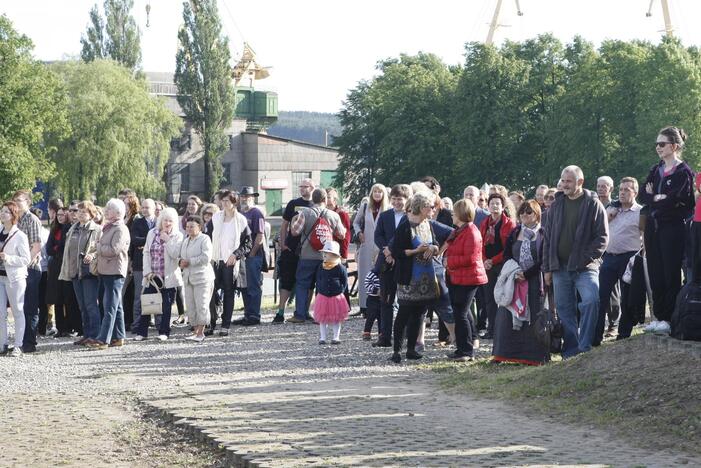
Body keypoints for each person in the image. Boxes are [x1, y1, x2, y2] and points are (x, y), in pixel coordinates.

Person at [543, 165, 608, 358]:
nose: (564, 185)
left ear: (580, 182)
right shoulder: (556, 204)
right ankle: (571, 352)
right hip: (559, 268)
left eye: (568, 181)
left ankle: (585, 347)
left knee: (590, 301)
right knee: (564, 311)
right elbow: (548, 239)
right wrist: (547, 268)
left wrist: (583, 259)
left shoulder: (592, 204)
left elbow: (602, 239)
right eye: (562, 181)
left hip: (585, 268)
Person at [639, 127, 695, 334]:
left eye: (662, 144)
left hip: (672, 229)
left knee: (670, 273)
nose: (658, 148)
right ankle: (659, 316)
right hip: (653, 228)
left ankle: (670, 319)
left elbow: (680, 201)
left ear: (674, 146)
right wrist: (658, 198)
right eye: (656, 144)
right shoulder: (656, 170)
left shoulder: (683, 172)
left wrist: (658, 199)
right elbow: (642, 195)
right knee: (655, 273)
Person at [492, 200, 550, 365]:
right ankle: (502, 354)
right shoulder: (515, 231)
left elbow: (543, 258)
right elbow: (507, 254)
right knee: (506, 315)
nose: (525, 215)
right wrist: (515, 272)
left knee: (533, 317)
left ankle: (533, 356)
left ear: (537, 214)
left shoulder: (543, 234)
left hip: (534, 282)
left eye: (529, 212)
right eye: (522, 212)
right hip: (514, 280)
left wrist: (526, 274)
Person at [388, 193, 441, 363]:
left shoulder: (427, 224)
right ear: (421, 207)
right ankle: (396, 349)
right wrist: (416, 251)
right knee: (404, 312)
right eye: (430, 207)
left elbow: (437, 244)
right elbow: (396, 251)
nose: (432, 210)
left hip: (426, 276)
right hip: (408, 276)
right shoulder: (405, 225)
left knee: (419, 313)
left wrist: (432, 248)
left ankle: (411, 349)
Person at [289, 188, 346, 323]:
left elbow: (295, 232)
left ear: (312, 200)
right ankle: (320, 316)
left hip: (307, 256)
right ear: (325, 200)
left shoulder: (305, 213)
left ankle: (300, 315)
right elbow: (342, 234)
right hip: (326, 257)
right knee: (322, 286)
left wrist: (294, 220)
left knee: (302, 285)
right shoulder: (333, 215)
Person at [595, 178, 642, 343]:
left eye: (627, 190)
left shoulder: (640, 212)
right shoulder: (611, 209)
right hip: (609, 257)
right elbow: (600, 229)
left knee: (627, 297)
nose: (622, 192)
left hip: (629, 258)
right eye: (621, 189)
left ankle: (623, 334)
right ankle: (595, 337)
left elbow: (645, 235)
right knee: (600, 297)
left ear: (635, 192)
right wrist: (608, 216)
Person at [444, 199, 487, 362]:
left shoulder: (471, 232)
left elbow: (470, 258)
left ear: (461, 214)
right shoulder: (461, 230)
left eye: (454, 212)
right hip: (460, 276)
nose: (452, 215)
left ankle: (466, 351)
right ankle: (463, 347)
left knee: (460, 314)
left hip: (469, 278)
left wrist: (449, 261)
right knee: (462, 312)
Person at [372, 184, 413, 347]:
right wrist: (387, 252)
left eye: (400, 199)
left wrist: (395, 253)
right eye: (394, 199)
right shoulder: (385, 215)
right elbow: (378, 236)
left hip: (404, 261)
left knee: (406, 301)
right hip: (386, 262)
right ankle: (385, 336)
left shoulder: (410, 216)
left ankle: (405, 336)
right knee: (386, 300)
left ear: (406, 200)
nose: (396, 202)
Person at [88, 199, 131, 350]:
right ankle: (119, 336)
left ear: (118, 213)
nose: (106, 212)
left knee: (110, 306)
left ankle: (104, 339)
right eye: (106, 209)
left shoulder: (120, 229)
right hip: (106, 270)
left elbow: (114, 250)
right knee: (116, 305)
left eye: (109, 209)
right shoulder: (108, 227)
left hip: (115, 271)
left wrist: (98, 246)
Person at [134, 207, 183, 341]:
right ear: (161, 220)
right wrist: (147, 271)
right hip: (152, 276)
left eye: (171, 221)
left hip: (168, 277)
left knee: (166, 306)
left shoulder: (178, 236)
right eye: (165, 220)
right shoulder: (152, 233)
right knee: (147, 304)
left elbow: (175, 255)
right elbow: (146, 252)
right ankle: (142, 332)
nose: (167, 223)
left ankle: (164, 332)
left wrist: (167, 240)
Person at [60, 201, 102, 346]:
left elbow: (100, 248)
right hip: (75, 273)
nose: (81, 214)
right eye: (79, 211)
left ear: (91, 214)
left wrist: (93, 255)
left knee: (91, 305)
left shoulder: (97, 229)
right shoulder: (73, 229)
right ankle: (86, 334)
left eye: (85, 212)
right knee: (82, 306)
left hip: (89, 273)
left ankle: (95, 335)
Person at [210, 190, 251, 335]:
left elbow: (247, 243)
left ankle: (225, 324)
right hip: (215, 260)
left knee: (228, 292)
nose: (224, 203)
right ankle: (211, 323)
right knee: (211, 291)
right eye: (223, 200)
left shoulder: (240, 220)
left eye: (227, 200)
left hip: (230, 262)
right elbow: (208, 237)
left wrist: (236, 254)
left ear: (234, 202)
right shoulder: (215, 218)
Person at [273, 178, 314, 323]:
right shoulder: (293, 203)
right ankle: (280, 312)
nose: (302, 189)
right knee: (287, 281)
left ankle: (305, 311)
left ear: (312, 188)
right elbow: (284, 225)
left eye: (305, 186)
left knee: (309, 283)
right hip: (291, 248)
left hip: (309, 250)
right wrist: (283, 244)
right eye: (300, 186)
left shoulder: (315, 205)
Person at [479, 193, 517, 340]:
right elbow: (480, 244)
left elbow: (508, 248)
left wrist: (492, 261)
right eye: (492, 203)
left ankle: (505, 329)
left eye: (497, 204)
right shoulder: (484, 223)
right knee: (489, 298)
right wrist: (484, 260)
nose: (494, 206)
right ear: (488, 206)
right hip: (487, 265)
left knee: (504, 296)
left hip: (502, 264)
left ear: (503, 206)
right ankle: (492, 329)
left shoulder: (509, 224)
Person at [12, 190, 43, 353]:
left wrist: (24, 264)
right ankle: (20, 340)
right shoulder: (14, 221)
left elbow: (36, 246)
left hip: (30, 268)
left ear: (28, 202)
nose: (16, 203)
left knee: (30, 307)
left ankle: (29, 342)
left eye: (20, 200)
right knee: (19, 307)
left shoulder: (32, 219)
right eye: (14, 200)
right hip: (15, 269)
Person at [353, 183, 390, 315]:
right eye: (375, 191)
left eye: (380, 192)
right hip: (366, 244)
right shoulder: (365, 207)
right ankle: (364, 306)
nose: (377, 194)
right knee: (364, 275)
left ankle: (380, 304)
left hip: (381, 246)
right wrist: (358, 233)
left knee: (379, 275)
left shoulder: (387, 209)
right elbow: (356, 222)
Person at [0, 202, 31, 356]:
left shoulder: (20, 235)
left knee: (18, 310)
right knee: (0, 313)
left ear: (13, 215)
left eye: (6, 212)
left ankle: (18, 345)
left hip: (14, 278)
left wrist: (8, 258)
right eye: (2, 211)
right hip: (0, 278)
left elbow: (26, 259)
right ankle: (2, 344)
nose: (3, 214)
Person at [46, 205, 81, 337]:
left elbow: (62, 245)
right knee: (57, 298)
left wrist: (56, 247)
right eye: (58, 215)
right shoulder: (54, 229)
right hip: (55, 266)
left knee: (69, 298)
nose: (60, 217)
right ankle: (60, 328)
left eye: (62, 215)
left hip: (66, 265)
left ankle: (71, 326)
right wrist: (56, 247)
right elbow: (49, 248)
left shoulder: (69, 228)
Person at [179, 215, 215, 342]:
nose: (188, 229)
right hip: (188, 278)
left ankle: (201, 332)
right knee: (191, 306)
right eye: (187, 227)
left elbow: (206, 257)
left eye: (192, 226)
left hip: (202, 278)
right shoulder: (185, 240)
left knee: (202, 305)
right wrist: (180, 262)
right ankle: (195, 330)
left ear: (199, 227)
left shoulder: (205, 239)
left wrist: (190, 261)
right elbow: (181, 257)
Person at [237, 186, 265, 326]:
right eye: (242, 196)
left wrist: (252, 253)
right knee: (244, 286)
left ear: (252, 198)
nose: (244, 199)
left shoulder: (256, 213)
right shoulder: (240, 213)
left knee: (254, 286)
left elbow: (260, 235)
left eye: (247, 196)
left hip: (253, 255)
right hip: (241, 255)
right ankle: (247, 314)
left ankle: (254, 315)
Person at [313, 241, 349, 344]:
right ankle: (322, 337)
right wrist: (319, 290)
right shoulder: (321, 267)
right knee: (322, 319)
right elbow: (318, 279)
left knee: (336, 319)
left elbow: (344, 281)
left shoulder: (340, 267)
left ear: (334, 255)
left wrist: (340, 290)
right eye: (324, 253)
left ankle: (336, 337)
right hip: (323, 296)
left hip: (336, 296)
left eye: (327, 253)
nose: (324, 255)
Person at [129, 198, 157, 333]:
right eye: (143, 207)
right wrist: (151, 239)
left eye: (147, 207)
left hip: (157, 264)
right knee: (139, 296)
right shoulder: (137, 222)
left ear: (154, 208)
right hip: (140, 264)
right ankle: (137, 325)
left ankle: (159, 324)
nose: (144, 210)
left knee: (158, 294)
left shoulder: (159, 222)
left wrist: (144, 243)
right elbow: (134, 240)